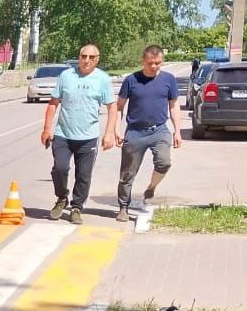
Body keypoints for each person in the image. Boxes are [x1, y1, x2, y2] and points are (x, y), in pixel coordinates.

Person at [39, 43, 118, 224]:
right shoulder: (67, 76)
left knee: (83, 175)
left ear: (97, 59)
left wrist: (109, 133)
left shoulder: (102, 79)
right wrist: (47, 128)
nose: (86, 60)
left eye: (91, 57)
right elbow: (53, 103)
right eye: (83, 56)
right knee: (60, 169)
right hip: (63, 134)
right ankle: (61, 198)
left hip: (88, 137)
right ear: (79, 57)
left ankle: (76, 207)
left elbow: (112, 107)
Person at [114, 44, 181, 222]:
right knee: (127, 173)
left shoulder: (169, 80)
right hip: (135, 132)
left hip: (159, 129)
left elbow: (174, 106)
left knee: (164, 162)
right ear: (143, 61)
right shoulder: (131, 80)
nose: (154, 67)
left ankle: (151, 186)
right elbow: (119, 107)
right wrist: (116, 130)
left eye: (158, 63)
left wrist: (177, 131)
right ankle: (123, 207)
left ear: (162, 61)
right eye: (150, 63)